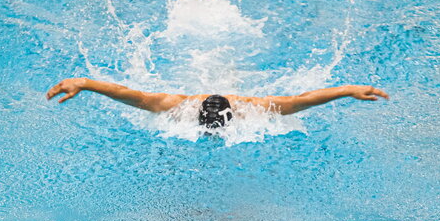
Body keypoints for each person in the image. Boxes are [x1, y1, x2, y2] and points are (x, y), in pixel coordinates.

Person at [46, 78, 389, 128]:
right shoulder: (173, 105)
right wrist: (85, 83)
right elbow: (126, 93)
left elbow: (302, 100)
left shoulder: (251, 107)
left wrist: (347, 89)